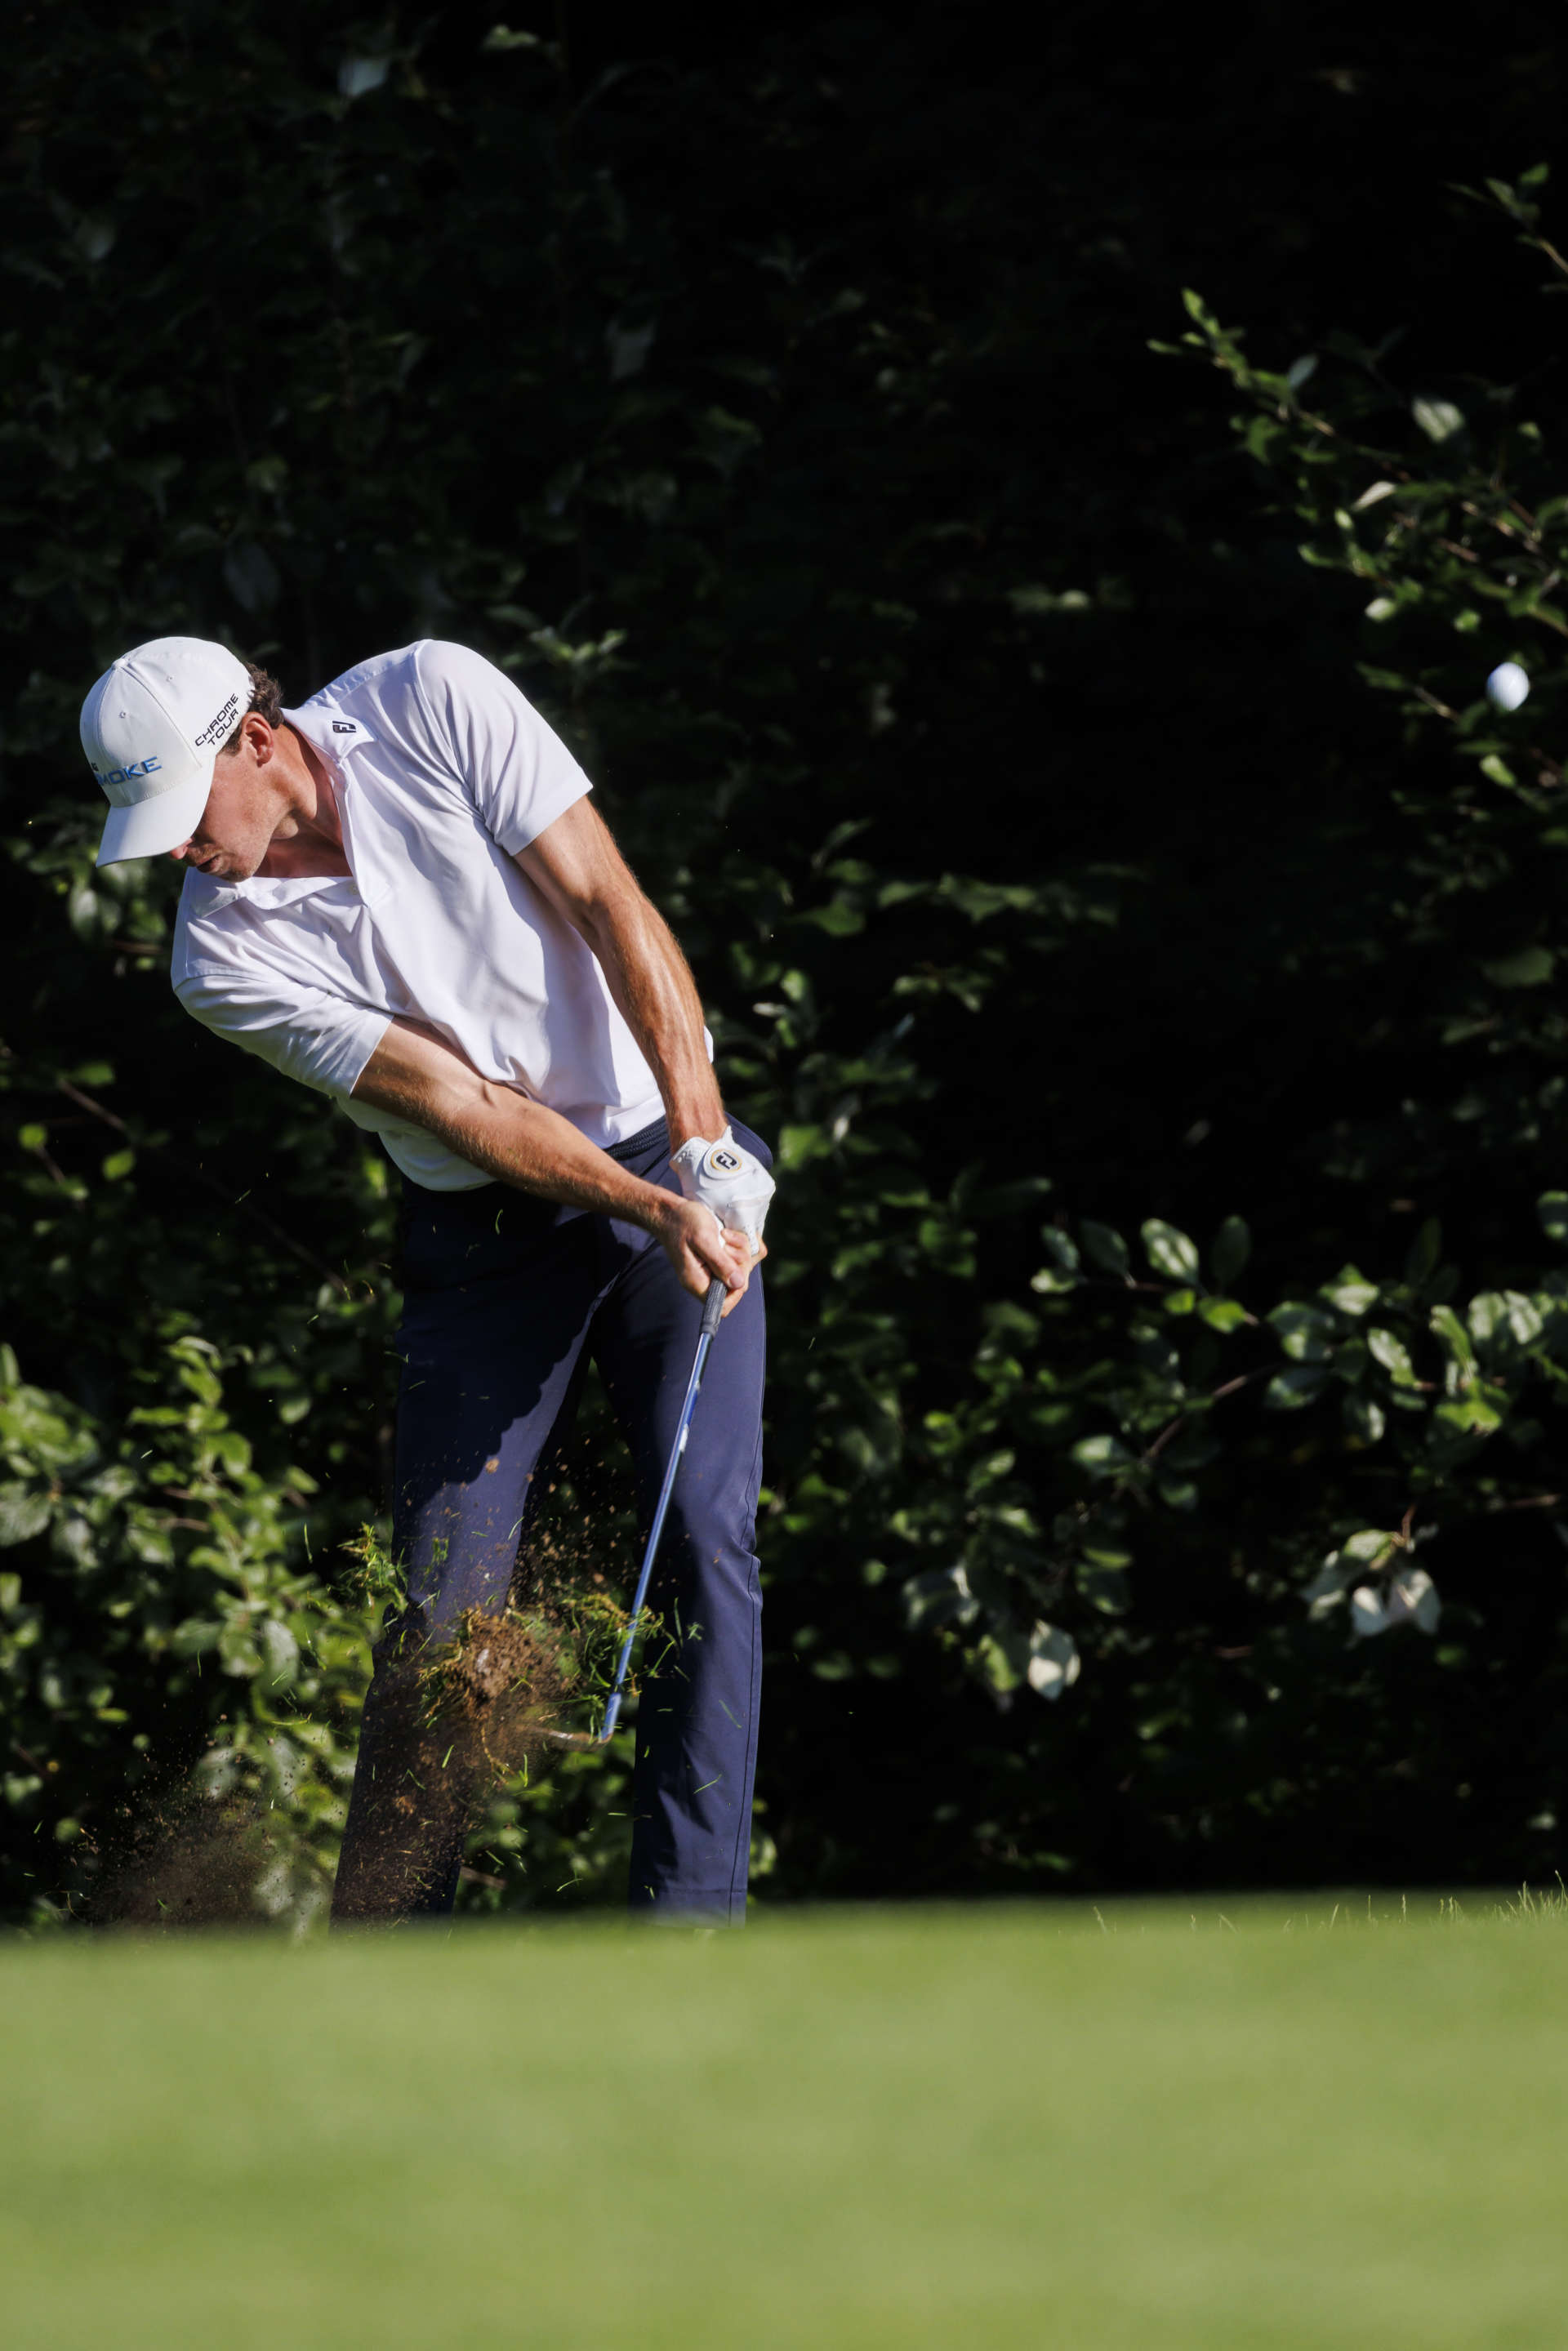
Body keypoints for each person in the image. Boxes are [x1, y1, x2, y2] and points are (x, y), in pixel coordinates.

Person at [80, 635, 774, 1924]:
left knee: (706, 1536)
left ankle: (691, 1928)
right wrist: (649, 1203)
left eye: (181, 814)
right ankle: (396, 1953)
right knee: (445, 1610)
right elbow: (463, 1103)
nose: (177, 851)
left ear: (255, 739)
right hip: (485, 1249)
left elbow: (610, 903)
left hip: (657, 1142)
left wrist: (705, 1149)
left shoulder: (431, 698)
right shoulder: (215, 963)